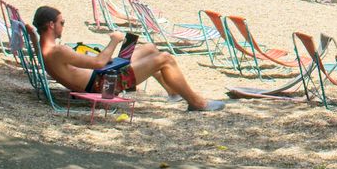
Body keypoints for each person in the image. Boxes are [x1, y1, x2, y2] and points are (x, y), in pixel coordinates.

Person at [32, 6, 224, 112]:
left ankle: (173, 91)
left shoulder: (43, 48)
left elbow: (32, 33)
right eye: (62, 23)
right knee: (165, 58)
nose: (63, 26)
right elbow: (99, 62)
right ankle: (197, 103)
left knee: (149, 48)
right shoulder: (58, 51)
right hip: (104, 85)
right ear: (51, 25)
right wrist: (114, 41)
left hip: (101, 76)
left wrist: (30, 32)